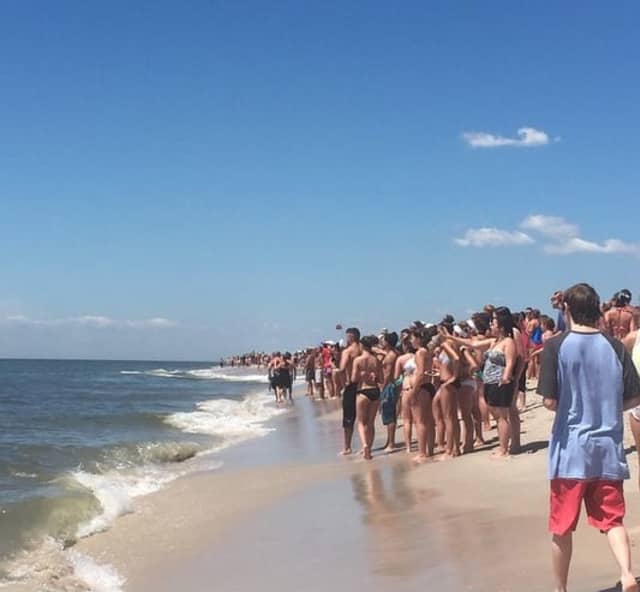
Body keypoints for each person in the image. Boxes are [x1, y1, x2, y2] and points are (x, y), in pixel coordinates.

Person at [538, 283, 640, 592]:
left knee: (561, 527)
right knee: (613, 520)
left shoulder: (556, 346)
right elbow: (635, 396)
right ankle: (627, 574)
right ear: (597, 308)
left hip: (571, 450)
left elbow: (550, 401)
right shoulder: (615, 345)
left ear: (565, 309)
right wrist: (608, 409)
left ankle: (560, 589)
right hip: (608, 446)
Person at [407, 327, 437, 463]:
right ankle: (429, 450)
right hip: (428, 387)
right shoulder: (428, 352)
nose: (410, 341)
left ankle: (422, 452)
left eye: (412, 338)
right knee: (429, 421)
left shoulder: (420, 353)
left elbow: (419, 373)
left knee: (420, 421)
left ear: (418, 338)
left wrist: (414, 391)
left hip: (421, 388)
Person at [352, 335, 383, 460]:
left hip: (363, 390)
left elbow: (354, 379)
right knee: (371, 423)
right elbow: (381, 379)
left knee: (361, 422)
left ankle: (364, 444)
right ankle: (369, 449)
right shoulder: (375, 360)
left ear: (362, 345)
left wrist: (361, 375)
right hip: (374, 390)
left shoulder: (358, 360)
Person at [339, 328, 362, 455]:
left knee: (348, 417)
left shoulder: (347, 351)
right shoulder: (364, 350)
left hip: (351, 385)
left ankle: (347, 447)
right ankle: (365, 445)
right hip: (363, 384)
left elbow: (342, 368)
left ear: (351, 337)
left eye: (348, 336)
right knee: (364, 418)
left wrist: (342, 385)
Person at [379, 332, 400, 453]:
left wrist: (383, 387)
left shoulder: (391, 355)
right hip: (393, 385)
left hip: (390, 385)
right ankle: (389, 441)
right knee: (390, 413)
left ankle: (391, 443)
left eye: (383, 340)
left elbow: (387, 373)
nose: (382, 342)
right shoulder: (393, 353)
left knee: (389, 413)